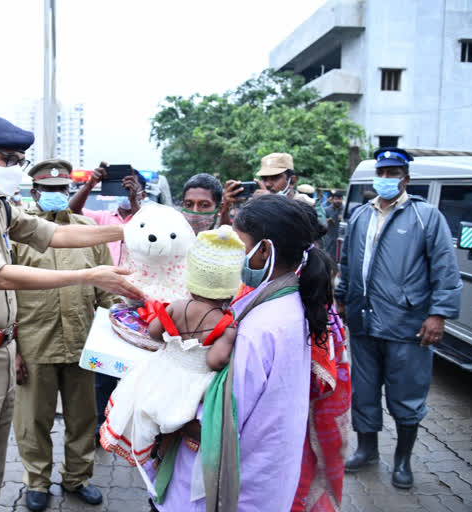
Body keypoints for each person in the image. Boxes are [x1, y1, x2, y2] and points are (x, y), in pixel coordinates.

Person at [0, 115, 143, 512]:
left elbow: (55, 233)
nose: (15, 168)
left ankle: (74, 475)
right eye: (8, 158)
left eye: (20, 159)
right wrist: (91, 275)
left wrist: (134, 231)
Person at [147, 195, 333, 511]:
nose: (231, 254)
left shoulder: (257, 328)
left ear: (264, 250)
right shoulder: (285, 303)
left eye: (238, 244)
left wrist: (152, 405)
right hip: (264, 476)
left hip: (227, 487)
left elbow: (214, 423)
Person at [335, 147, 462, 489]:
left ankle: (402, 461)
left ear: (406, 178)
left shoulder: (425, 216)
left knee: (406, 394)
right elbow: (347, 263)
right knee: (363, 391)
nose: (386, 179)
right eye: (382, 172)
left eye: (394, 173)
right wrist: (342, 299)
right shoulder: (362, 214)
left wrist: (439, 314)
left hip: (407, 323)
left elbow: (445, 270)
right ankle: (367, 450)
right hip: (363, 321)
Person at [12, 159, 118, 511]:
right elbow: (3, 292)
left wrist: (118, 334)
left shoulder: (87, 230)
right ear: (35, 191)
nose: (56, 195)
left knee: (83, 418)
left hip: (82, 343)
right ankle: (37, 481)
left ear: (69, 191)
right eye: (49, 190)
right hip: (33, 343)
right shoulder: (17, 233)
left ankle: (77, 477)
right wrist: (12, 349)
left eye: (62, 190)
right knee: (33, 421)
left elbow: (107, 290)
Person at [100, 226, 245, 470]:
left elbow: (154, 332)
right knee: (176, 421)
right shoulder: (227, 323)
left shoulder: (177, 306)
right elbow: (215, 361)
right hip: (193, 386)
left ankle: (150, 451)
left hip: (161, 372)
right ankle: (164, 456)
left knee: (151, 412)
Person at [67, 161, 144, 441]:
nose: (124, 193)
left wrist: (137, 201)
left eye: (130, 189)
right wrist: (89, 184)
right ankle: (102, 426)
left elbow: (153, 233)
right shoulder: (101, 218)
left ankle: (131, 429)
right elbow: (72, 211)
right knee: (102, 373)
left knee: (137, 371)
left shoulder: (147, 217)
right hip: (105, 302)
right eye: (121, 189)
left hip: (139, 304)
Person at [322, 190, 344, 262]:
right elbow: (321, 222)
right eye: (336, 199)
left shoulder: (345, 210)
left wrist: (343, 219)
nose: (338, 201)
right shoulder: (326, 210)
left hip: (340, 239)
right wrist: (327, 220)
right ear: (332, 199)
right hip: (329, 238)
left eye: (340, 199)